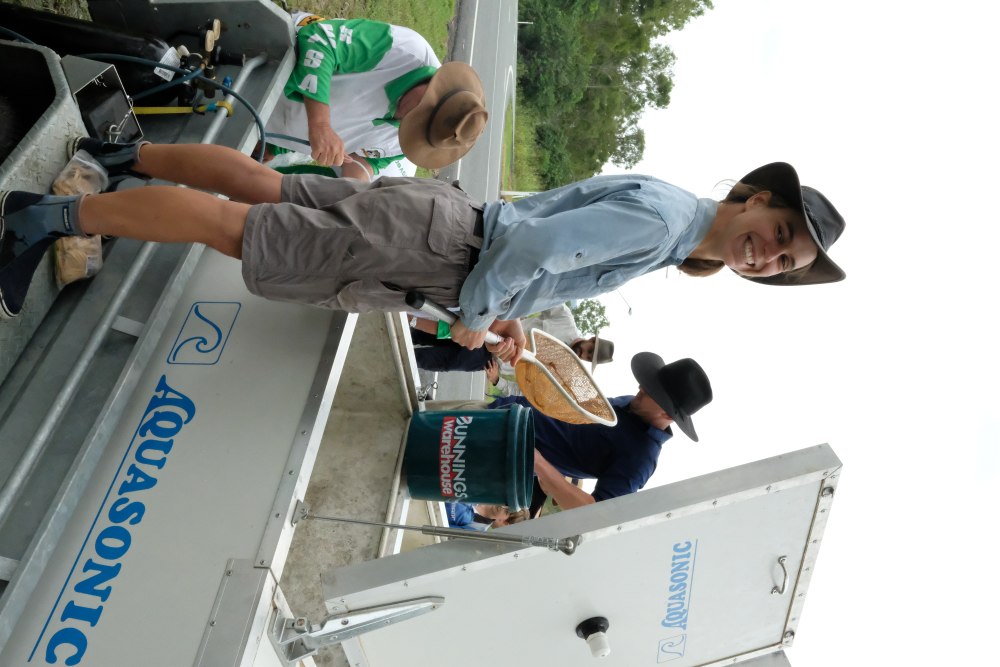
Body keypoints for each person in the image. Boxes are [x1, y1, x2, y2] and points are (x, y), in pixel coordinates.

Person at [0, 145, 846, 337]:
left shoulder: (673, 213)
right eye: (778, 234)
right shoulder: (666, 226)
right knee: (238, 230)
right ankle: (45, 219)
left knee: (266, 187)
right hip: (442, 253)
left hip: (440, 218)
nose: (767, 255)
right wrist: (479, 317)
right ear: (758, 196)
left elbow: (537, 239)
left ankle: (120, 154)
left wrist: (508, 314)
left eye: (783, 262)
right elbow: (527, 252)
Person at [262, 13, 487, 180]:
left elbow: (365, 161)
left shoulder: (413, 139)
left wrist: (354, 192)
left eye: (417, 128)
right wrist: (320, 124)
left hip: (264, 127)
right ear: (434, 87)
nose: (404, 122)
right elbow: (320, 39)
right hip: (261, 65)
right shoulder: (405, 50)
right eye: (418, 114)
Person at [490, 354, 713, 510]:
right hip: (503, 409)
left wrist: (540, 465)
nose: (641, 388)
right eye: (648, 384)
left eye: (652, 391)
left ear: (667, 415)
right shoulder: (633, 404)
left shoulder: (640, 459)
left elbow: (594, 513)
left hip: (500, 452)